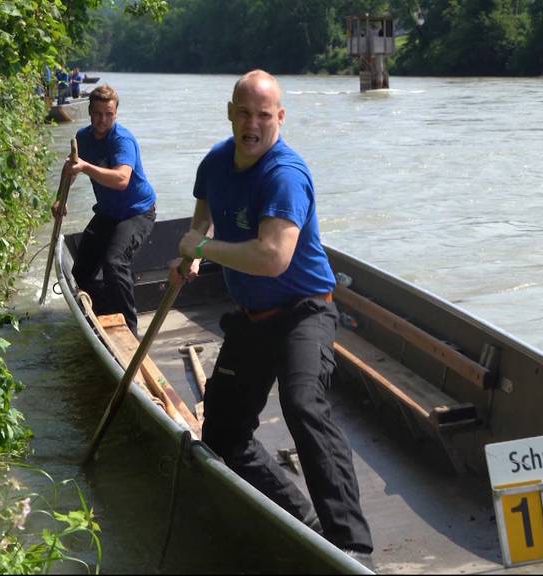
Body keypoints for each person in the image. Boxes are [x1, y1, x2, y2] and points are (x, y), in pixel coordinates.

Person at [169, 70, 374, 564]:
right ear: (230, 113)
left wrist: (201, 245)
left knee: (303, 402)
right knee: (221, 433)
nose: (252, 124)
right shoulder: (216, 163)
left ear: (279, 118)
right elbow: (202, 220)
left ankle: (352, 547)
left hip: (306, 309)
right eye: (244, 113)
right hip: (252, 315)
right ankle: (300, 520)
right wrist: (192, 254)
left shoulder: (286, 174)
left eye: (264, 115)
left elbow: (272, 258)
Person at [53, 84, 156, 336]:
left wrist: (85, 167)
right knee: (80, 274)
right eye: (98, 114)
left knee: (114, 263)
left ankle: (130, 330)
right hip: (108, 213)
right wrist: (60, 198)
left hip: (137, 212)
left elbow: (121, 180)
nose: (103, 120)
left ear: (116, 114)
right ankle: (105, 311)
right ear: (89, 112)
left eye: (109, 114)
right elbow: (71, 169)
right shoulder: (83, 137)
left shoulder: (122, 139)